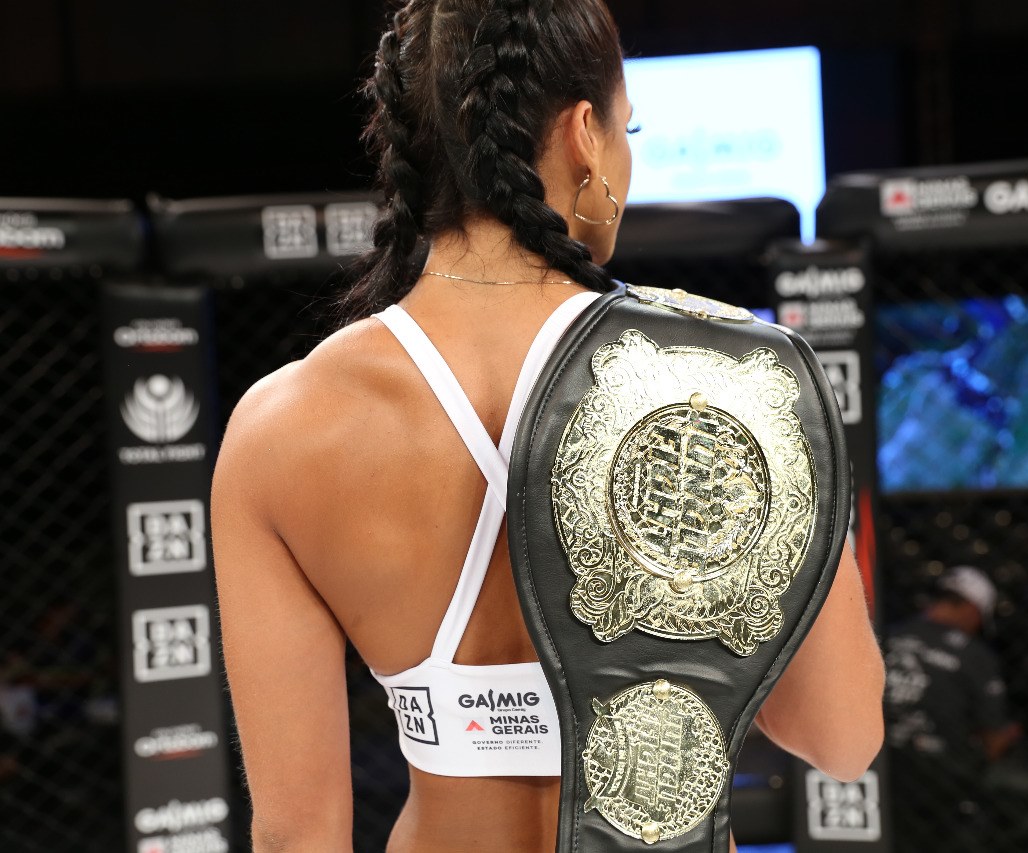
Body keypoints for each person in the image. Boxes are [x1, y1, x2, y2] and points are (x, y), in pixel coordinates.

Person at [211, 1, 885, 851]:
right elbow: (843, 735)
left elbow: (298, 834)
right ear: (583, 136)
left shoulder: (282, 427)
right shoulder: (730, 382)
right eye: (627, 129)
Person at [883, 565, 1022, 853]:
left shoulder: (885, 636)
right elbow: (993, 738)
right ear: (972, 609)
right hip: (941, 785)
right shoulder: (974, 655)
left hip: (877, 767)